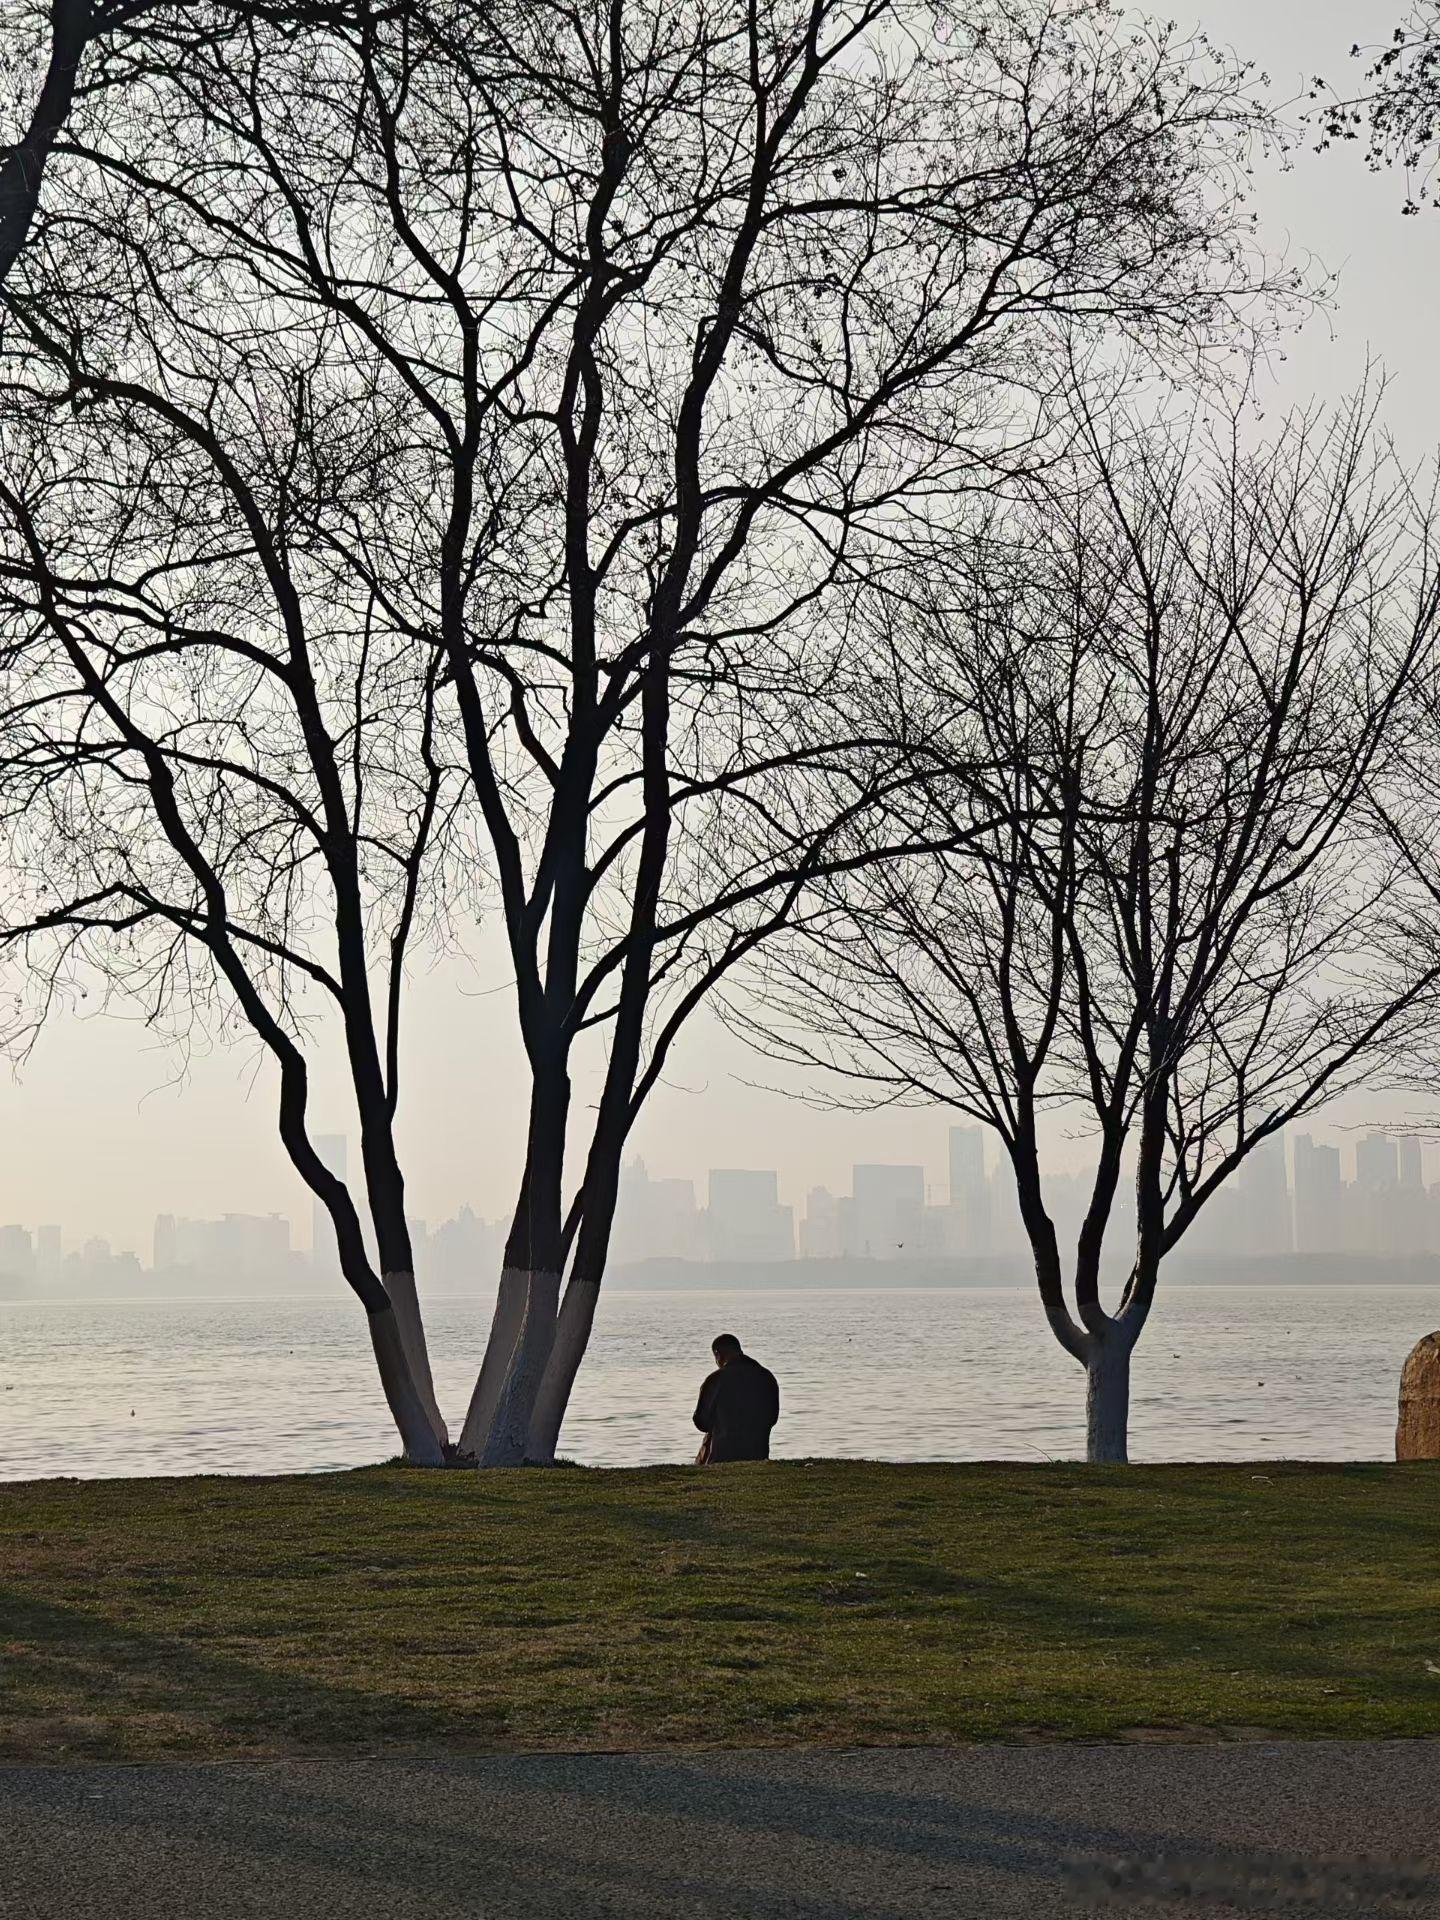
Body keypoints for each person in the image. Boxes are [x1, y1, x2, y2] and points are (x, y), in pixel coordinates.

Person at [693, 1333, 779, 1463]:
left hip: (723, 1454)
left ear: (718, 1354)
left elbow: (701, 1422)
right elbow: (772, 1417)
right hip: (758, 1452)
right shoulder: (766, 1376)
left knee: (709, 1438)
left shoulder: (716, 1379)